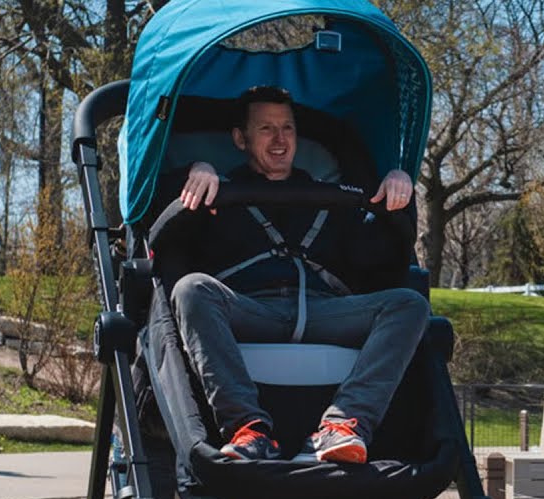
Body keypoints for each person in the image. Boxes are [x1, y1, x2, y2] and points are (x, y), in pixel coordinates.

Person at [163, 85, 427, 464]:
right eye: (266, 129)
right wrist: (193, 173)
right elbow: (164, 230)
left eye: (287, 128)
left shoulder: (331, 196)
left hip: (325, 311)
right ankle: (248, 429)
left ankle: (342, 426)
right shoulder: (217, 191)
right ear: (240, 138)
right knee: (191, 289)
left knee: (409, 304)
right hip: (251, 310)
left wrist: (399, 189)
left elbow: (378, 255)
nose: (280, 139)